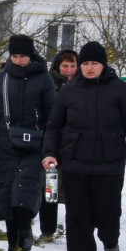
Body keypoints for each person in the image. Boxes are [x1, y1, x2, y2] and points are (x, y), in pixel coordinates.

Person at [42, 42, 126, 251]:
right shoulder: (69, 92)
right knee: (78, 216)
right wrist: (49, 153)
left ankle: (111, 245)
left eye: (95, 63)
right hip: (74, 162)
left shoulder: (120, 90)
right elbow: (54, 126)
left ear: (103, 65)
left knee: (108, 214)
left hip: (109, 164)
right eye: (86, 63)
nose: (90, 68)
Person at [0, 35, 57, 251]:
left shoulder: (44, 80)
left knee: (25, 193)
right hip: (5, 143)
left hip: (34, 144)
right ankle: (13, 249)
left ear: (31, 56)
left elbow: (53, 116)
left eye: (23, 56)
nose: (18, 60)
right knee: (8, 197)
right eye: (15, 56)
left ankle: (25, 228)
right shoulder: (2, 78)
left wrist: (52, 146)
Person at [38, 49, 78, 241]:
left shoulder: (82, 85)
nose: (68, 70)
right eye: (64, 66)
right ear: (57, 66)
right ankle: (47, 230)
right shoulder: (48, 84)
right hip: (52, 143)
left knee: (74, 191)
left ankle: (76, 230)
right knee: (50, 189)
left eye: (72, 66)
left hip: (76, 145)